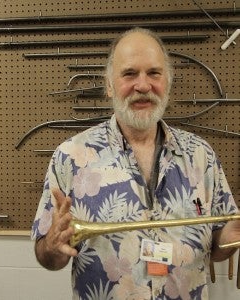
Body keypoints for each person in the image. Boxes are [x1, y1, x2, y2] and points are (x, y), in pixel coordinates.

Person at [32, 27, 240, 299]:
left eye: (154, 73)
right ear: (108, 85)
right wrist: (52, 244)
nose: (143, 85)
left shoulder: (202, 154)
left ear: (167, 81)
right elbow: (46, 257)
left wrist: (232, 237)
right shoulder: (70, 156)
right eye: (129, 74)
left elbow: (217, 249)